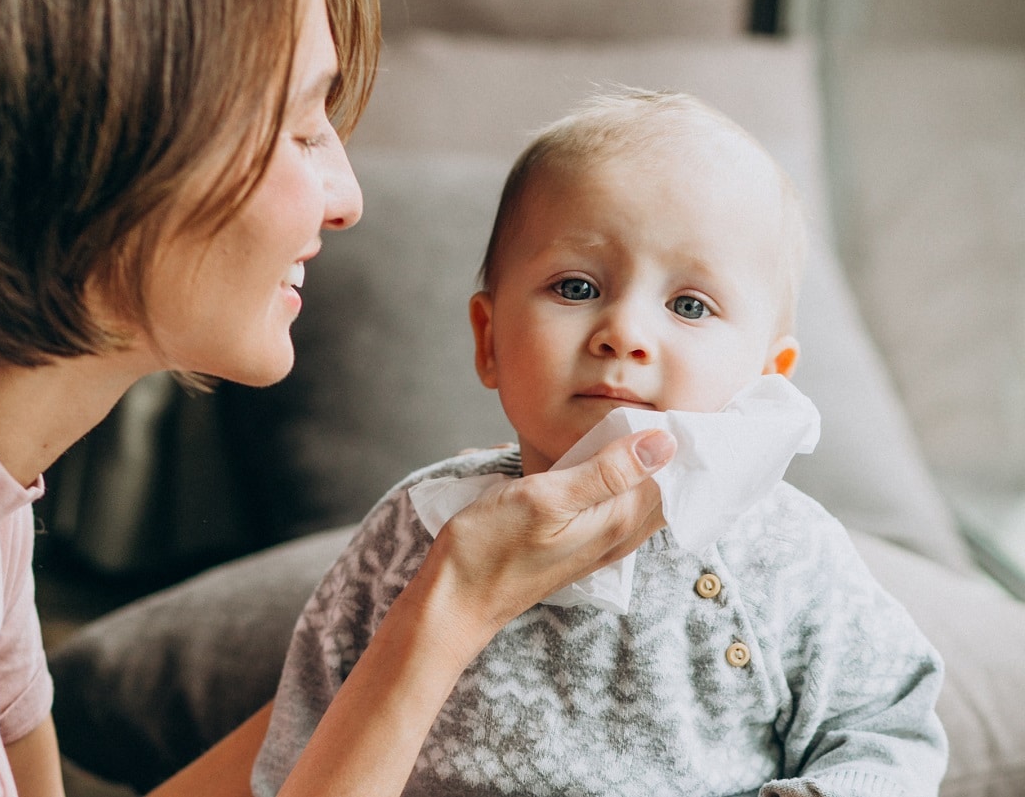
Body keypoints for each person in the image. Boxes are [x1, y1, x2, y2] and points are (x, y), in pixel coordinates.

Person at [0, 0, 675, 796]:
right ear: (94, 152)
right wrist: (450, 608)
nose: (344, 197)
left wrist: (400, 636)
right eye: (302, 129)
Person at [252, 90, 949, 796]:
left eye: (688, 305)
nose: (625, 332)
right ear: (488, 340)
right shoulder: (417, 530)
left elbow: (886, 728)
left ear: (765, 378)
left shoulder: (785, 552)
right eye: (577, 286)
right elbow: (304, 736)